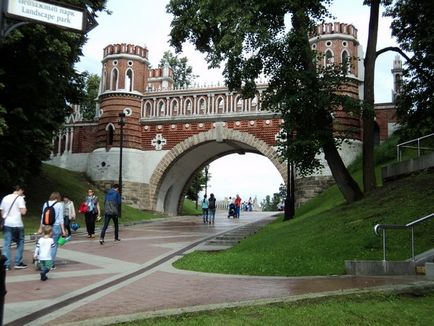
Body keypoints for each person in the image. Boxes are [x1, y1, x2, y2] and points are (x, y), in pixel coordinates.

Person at [0, 185, 28, 271]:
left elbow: (2, 211)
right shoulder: (20, 199)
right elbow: (23, 212)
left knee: (7, 244)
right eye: (22, 191)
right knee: (20, 242)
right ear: (20, 190)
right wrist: (24, 202)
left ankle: (6, 264)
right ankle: (18, 262)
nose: (22, 193)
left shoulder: (5, 198)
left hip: (7, 223)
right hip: (17, 223)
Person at [38, 192, 65, 269]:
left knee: (44, 244)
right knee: (54, 245)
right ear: (58, 197)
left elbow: (43, 216)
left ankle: (42, 263)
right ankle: (50, 264)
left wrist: (40, 228)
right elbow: (61, 218)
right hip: (56, 226)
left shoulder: (45, 203)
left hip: (46, 226)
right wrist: (63, 230)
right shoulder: (60, 204)